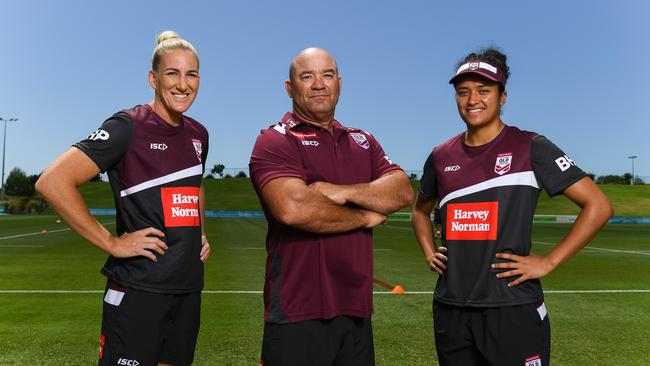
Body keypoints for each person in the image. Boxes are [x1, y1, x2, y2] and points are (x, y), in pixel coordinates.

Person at [411, 47, 613, 366]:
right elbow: (420, 210)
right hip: (451, 308)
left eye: (484, 90)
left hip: (512, 308)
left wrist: (548, 262)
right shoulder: (440, 155)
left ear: (502, 96)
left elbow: (598, 206)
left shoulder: (530, 147)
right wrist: (427, 249)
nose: (472, 99)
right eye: (463, 92)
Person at [36, 31, 210, 366]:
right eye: (172, 73)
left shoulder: (198, 134)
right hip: (138, 289)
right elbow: (52, 181)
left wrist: (200, 231)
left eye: (192, 74)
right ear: (153, 78)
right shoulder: (127, 126)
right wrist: (112, 243)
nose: (183, 84)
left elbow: (195, 183)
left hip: (187, 288)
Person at [249, 47, 413, 366]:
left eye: (327, 75)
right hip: (297, 313)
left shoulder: (362, 140)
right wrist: (365, 215)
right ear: (289, 88)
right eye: (307, 76)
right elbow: (293, 207)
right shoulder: (275, 139)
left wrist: (339, 192)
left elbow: (402, 191)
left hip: (356, 313)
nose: (319, 84)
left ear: (339, 83)